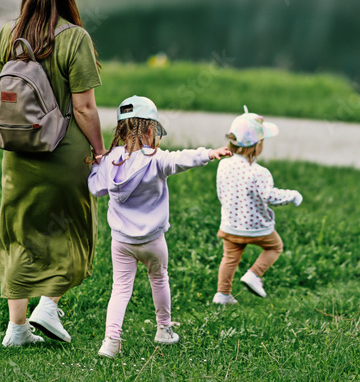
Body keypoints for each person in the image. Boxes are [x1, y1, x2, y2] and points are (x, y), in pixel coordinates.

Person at [0, 0, 106, 347]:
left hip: (17, 152)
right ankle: (48, 306)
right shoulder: (74, 37)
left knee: (19, 233)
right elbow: (84, 107)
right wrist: (99, 150)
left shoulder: (8, 34)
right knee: (73, 228)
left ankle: (17, 329)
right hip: (63, 151)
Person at [88, 95, 231, 359]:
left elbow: (96, 189)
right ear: (150, 130)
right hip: (153, 241)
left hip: (122, 241)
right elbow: (180, 159)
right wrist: (208, 154)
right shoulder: (156, 159)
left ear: (122, 130)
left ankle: (111, 341)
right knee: (159, 279)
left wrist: (98, 167)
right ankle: (164, 329)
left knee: (120, 288)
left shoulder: (111, 159)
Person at [213, 107, 302, 305]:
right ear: (258, 144)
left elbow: (221, 192)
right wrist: (292, 196)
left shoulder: (223, 164)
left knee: (229, 259)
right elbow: (270, 196)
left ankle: (222, 294)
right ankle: (254, 274)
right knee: (275, 247)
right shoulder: (259, 172)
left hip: (230, 225)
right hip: (257, 228)